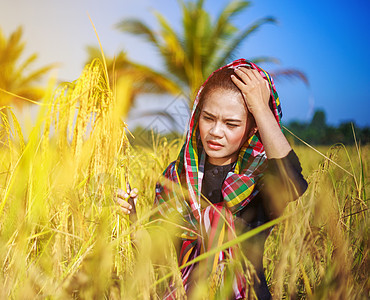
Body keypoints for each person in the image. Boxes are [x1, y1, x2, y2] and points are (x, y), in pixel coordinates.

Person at [117, 59, 308, 299]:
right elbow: (155, 256)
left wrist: (261, 108)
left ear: (252, 128)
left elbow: (292, 183)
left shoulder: (259, 181)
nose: (216, 132)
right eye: (208, 118)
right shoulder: (176, 177)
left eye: (231, 123)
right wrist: (133, 218)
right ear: (197, 117)